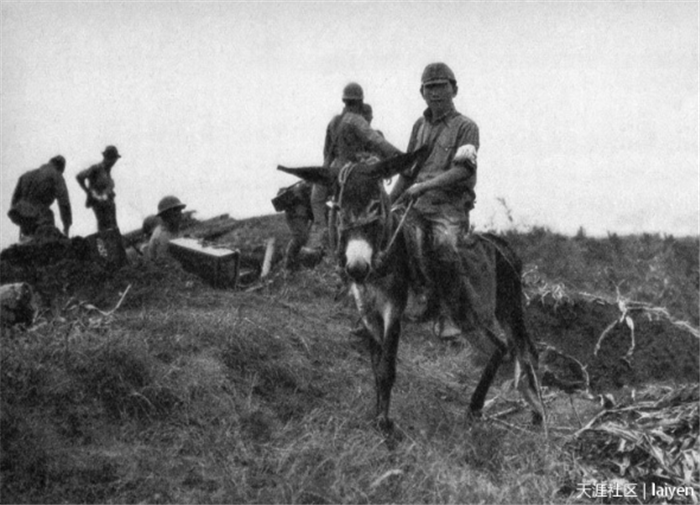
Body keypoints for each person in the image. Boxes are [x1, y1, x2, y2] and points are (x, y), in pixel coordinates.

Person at [389, 62, 480, 340]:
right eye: (429, 88)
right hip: (416, 204)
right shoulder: (419, 126)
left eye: (441, 86)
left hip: (449, 206)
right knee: (387, 237)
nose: (435, 93)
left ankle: (449, 314)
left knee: (444, 246)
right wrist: (388, 203)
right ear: (422, 93)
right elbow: (407, 172)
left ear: (454, 89)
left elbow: (464, 170)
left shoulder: (466, 127)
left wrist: (425, 186)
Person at [307, 82, 402, 253]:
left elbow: (327, 153)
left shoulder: (333, 122)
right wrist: (401, 157)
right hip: (356, 172)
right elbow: (378, 143)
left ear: (344, 100)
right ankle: (384, 245)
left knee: (318, 200)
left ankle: (322, 240)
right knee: (384, 201)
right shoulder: (357, 120)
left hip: (336, 171)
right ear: (360, 101)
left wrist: (324, 175)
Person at [8, 155, 72, 242]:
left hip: (20, 215)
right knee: (48, 240)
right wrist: (66, 225)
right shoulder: (56, 174)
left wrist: (21, 217)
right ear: (60, 167)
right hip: (41, 216)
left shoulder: (26, 175)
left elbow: (14, 200)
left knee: (28, 240)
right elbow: (64, 201)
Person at [272, 180, 316, 270]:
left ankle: (296, 263)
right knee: (300, 237)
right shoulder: (305, 186)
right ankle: (289, 265)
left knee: (303, 238)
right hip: (295, 214)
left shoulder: (309, 186)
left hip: (303, 214)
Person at [76, 145, 121, 232]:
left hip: (109, 204)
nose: (114, 162)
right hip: (100, 205)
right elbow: (80, 176)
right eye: (113, 159)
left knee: (113, 228)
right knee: (105, 229)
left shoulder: (108, 172)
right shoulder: (96, 168)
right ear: (108, 158)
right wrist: (89, 192)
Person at [147, 196, 186, 261]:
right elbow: (164, 262)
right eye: (176, 214)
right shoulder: (163, 235)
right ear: (166, 216)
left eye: (180, 211)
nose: (181, 215)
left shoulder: (169, 230)